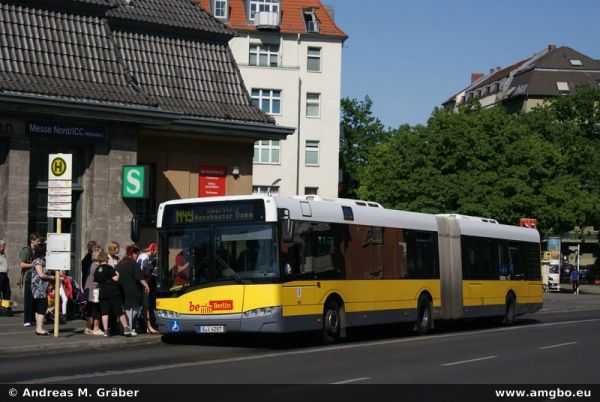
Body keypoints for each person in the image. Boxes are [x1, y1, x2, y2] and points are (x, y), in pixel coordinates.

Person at [93, 253, 135, 337]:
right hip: (113, 292)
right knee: (119, 311)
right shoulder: (109, 268)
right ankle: (126, 329)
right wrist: (118, 274)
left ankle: (105, 331)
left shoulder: (97, 269)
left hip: (102, 292)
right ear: (106, 259)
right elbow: (115, 279)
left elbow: (95, 282)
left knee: (104, 313)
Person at [116, 245, 149, 335]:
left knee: (126, 309)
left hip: (122, 289)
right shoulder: (134, 263)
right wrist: (146, 285)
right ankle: (129, 328)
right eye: (136, 253)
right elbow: (140, 278)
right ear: (132, 253)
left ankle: (126, 328)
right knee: (133, 310)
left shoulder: (120, 262)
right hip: (133, 290)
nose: (137, 255)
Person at [31, 249, 62, 335]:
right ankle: (39, 328)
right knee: (42, 307)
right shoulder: (38, 261)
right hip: (39, 288)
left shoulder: (40, 261)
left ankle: (39, 327)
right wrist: (53, 277)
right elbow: (41, 274)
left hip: (40, 287)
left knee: (39, 308)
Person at [19, 233, 43, 327]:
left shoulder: (37, 250)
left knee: (34, 299)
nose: (39, 242)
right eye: (37, 241)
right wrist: (34, 264)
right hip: (28, 278)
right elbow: (21, 264)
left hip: (35, 278)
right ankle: (27, 320)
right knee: (28, 300)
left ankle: (32, 319)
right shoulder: (26, 250)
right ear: (32, 241)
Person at [137, 243, 159, 334]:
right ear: (153, 250)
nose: (156, 254)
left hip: (142, 284)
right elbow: (141, 271)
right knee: (146, 306)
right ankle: (149, 327)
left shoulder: (143, 256)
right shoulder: (145, 258)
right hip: (144, 285)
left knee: (145, 307)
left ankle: (147, 327)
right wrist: (150, 276)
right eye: (156, 251)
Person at [83, 248, 103, 335]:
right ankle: (96, 328)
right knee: (96, 308)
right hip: (94, 289)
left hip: (89, 288)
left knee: (90, 309)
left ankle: (88, 327)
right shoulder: (97, 266)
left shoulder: (91, 264)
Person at [0, 240, 12, 315]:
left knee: (7, 292)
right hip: (0, 274)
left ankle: (6, 308)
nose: (4, 248)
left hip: (4, 275)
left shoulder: (3, 254)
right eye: (3, 246)